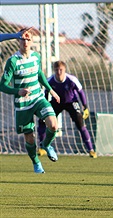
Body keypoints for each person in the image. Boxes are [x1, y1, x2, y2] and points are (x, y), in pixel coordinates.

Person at [0, 28, 60, 174]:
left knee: (53, 125)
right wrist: (17, 91)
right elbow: (2, 85)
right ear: (18, 40)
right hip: (23, 103)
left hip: (38, 97)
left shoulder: (36, 57)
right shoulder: (12, 61)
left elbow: (39, 74)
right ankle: (36, 163)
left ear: (32, 41)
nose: (25, 42)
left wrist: (50, 90)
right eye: (22, 39)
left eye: (28, 39)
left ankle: (46, 145)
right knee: (29, 137)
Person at [37, 61, 97, 158]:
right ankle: (42, 148)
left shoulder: (72, 79)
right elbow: (46, 94)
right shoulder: (50, 81)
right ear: (54, 70)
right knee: (43, 121)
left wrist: (85, 106)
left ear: (65, 70)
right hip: (56, 103)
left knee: (80, 122)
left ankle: (91, 150)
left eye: (61, 70)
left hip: (71, 102)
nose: (59, 72)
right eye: (57, 70)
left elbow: (80, 92)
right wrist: (45, 108)